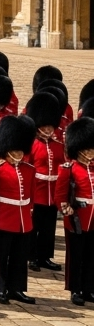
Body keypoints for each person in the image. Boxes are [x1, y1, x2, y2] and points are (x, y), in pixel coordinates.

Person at [0, 114, 37, 304]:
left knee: (20, 257)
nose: (20, 154)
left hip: (23, 220)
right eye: (16, 150)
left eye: (22, 150)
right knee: (2, 256)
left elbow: (30, 197)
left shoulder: (29, 169)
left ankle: (17, 288)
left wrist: (29, 215)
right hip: (4, 218)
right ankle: (2, 288)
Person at [56, 117, 94, 305]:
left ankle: (88, 288)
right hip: (77, 217)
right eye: (87, 149)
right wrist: (67, 211)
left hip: (93, 218)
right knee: (76, 256)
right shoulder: (68, 169)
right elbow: (61, 196)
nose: (90, 153)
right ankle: (75, 289)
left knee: (90, 256)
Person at [27, 92, 66, 273]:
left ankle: (45, 256)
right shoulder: (33, 144)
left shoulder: (58, 145)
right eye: (46, 127)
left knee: (49, 228)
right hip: (38, 191)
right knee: (35, 227)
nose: (49, 130)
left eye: (52, 127)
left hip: (53, 192)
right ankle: (32, 256)